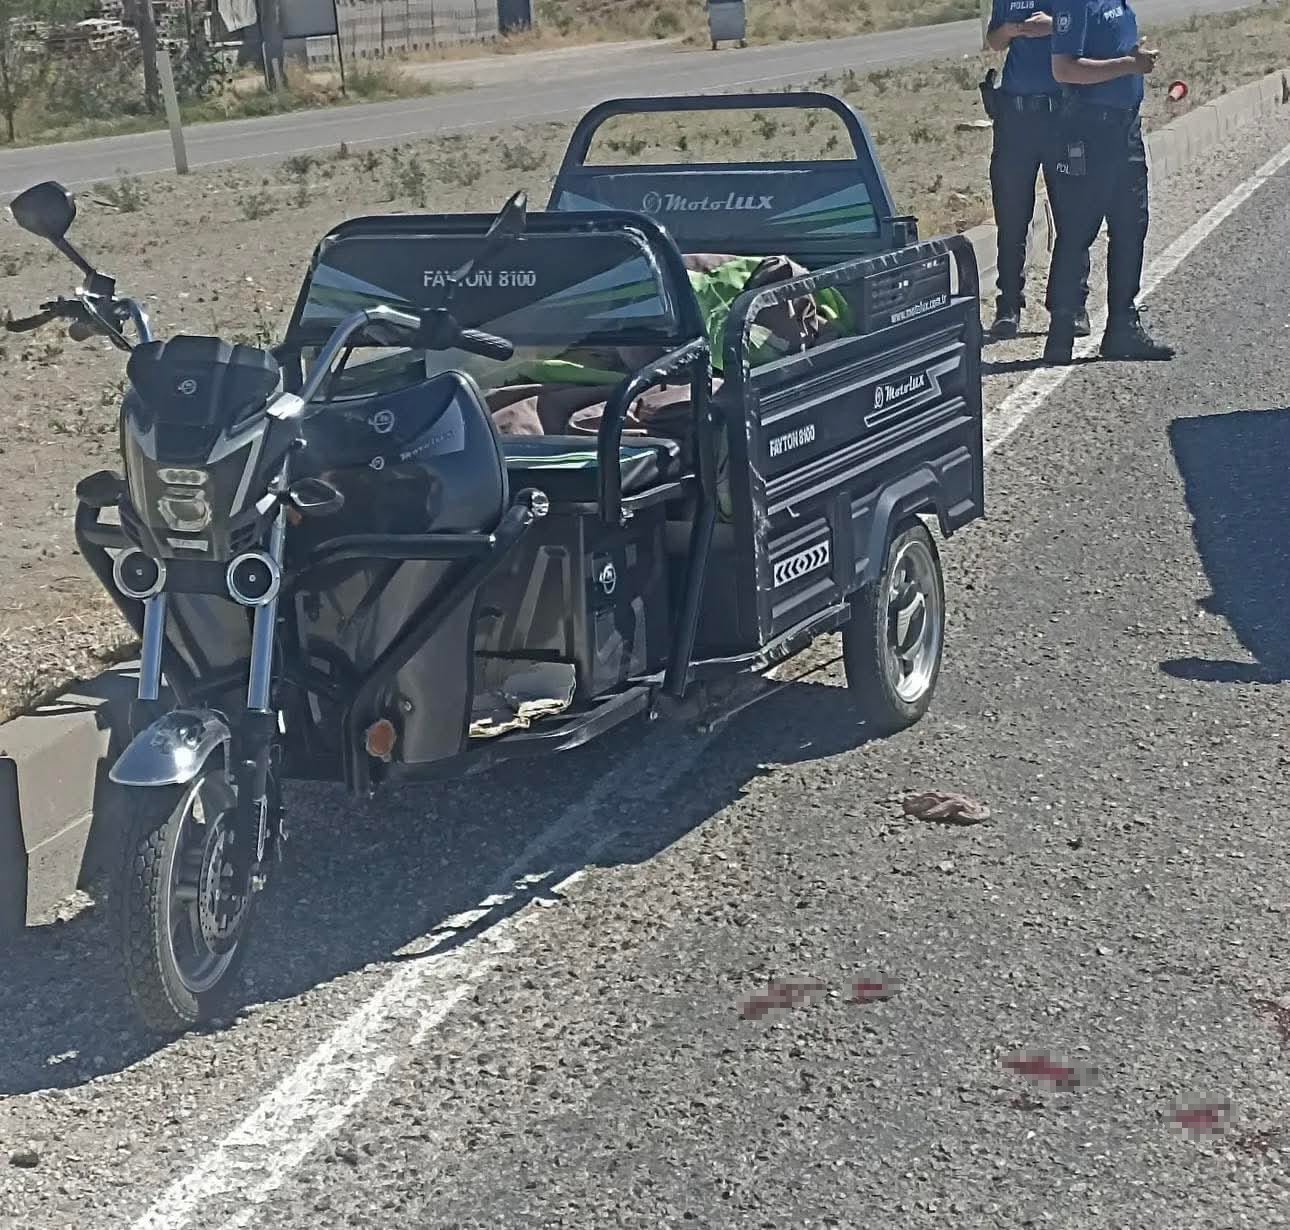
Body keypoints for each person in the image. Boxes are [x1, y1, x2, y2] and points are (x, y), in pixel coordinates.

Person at [1044, 0, 1176, 365]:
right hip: (1089, 129)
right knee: (1077, 230)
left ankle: (1122, 327)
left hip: (1125, 130)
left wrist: (1133, 56)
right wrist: (1129, 66)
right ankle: (1062, 331)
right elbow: (1065, 69)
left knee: (1131, 226)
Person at [984, 0, 1090, 341]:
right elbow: (994, 41)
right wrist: (1012, 30)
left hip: (1061, 114)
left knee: (1072, 214)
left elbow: (1090, 32)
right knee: (1012, 215)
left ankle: (1071, 305)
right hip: (1015, 117)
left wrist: (1053, 24)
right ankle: (1009, 306)